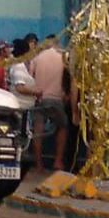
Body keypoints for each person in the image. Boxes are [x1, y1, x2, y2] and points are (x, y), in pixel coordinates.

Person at [30, 35, 71, 171]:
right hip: (57, 99)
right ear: (57, 43)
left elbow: (31, 78)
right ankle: (58, 161)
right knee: (62, 126)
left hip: (40, 98)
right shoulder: (63, 57)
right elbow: (68, 78)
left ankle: (38, 163)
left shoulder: (37, 58)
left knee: (38, 130)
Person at [8, 38, 41, 108]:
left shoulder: (22, 65)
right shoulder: (18, 66)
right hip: (20, 105)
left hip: (25, 105)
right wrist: (37, 92)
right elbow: (20, 88)